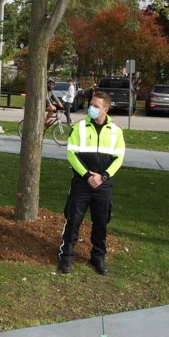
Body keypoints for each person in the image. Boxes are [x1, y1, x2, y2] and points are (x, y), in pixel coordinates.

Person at [58, 91, 125, 275]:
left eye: (96, 106)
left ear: (106, 109)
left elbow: (119, 158)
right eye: (91, 104)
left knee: (101, 222)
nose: (91, 108)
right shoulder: (79, 128)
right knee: (73, 221)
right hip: (81, 183)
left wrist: (102, 177)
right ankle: (66, 257)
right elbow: (71, 154)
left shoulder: (116, 131)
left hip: (103, 185)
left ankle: (98, 257)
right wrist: (87, 175)